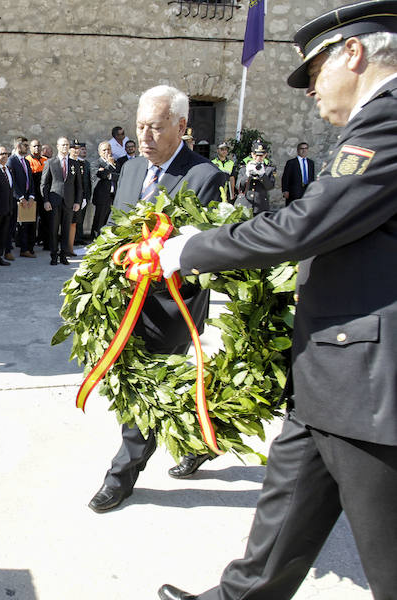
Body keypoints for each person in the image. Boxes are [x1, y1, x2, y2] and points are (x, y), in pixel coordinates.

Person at [157, 4, 397, 598]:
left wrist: (194, 249)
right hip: (328, 375)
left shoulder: (389, 122)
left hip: (369, 388)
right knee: (278, 534)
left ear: (355, 53)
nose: (311, 89)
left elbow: (307, 224)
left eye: (315, 70)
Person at [88, 84, 228, 514]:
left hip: (171, 307)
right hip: (124, 304)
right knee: (164, 388)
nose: (144, 137)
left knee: (145, 392)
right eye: (139, 127)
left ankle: (121, 476)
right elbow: (112, 232)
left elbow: (205, 256)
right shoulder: (131, 170)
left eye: (156, 127)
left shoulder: (204, 177)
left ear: (182, 127)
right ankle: (204, 439)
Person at [41, 137, 81, 265]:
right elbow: (44, 184)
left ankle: (64, 255)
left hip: (69, 202)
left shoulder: (74, 164)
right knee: (53, 229)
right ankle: (54, 255)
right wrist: (46, 200)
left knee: (66, 229)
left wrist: (77, 202)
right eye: (62, 145)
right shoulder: (50, 162)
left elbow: (79, 186)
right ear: (57, 146)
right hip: (54, 201)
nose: (65, 147)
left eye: (67, 145)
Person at [8, 136, 37, 258]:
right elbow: (12, 181)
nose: (27, 148)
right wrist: (20, 197)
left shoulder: (25, 161)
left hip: (27, 198)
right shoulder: (11, 161)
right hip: (15, 199)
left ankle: (25, 249)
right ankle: (7, 250)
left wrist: (30, 196)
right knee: (12, 225)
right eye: (25, 145)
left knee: (26, 224)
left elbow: (30, 180)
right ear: (18, 146)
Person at [236, 140, 276, 214]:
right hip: (245, 204)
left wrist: (262, 175)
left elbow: (270, 186)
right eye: (256, 155)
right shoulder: (244, 169)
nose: (258, 158)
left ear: (265, 155)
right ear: (252, 154)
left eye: (261, 155)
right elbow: (239, 186)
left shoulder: (269, 169)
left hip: (260, 206)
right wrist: (247, 175)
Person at [91, 141, 120, 233]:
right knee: (100, 219)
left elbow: (120, 176)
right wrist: (109, 166)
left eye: (108, 149)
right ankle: (95, 238)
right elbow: (102, 175)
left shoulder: (116, 163)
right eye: (104, 150)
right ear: (99, 152)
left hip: (114, 196)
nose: (107, 152)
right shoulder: (95, 164)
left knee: (111, 219)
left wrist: (110, 175)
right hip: (102, 197)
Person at [281, 141, 315, 205]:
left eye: (306, 148)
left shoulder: (311, 163)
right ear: (298, 150)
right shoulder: (291, 163)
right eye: (302, 149)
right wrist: (285, 190)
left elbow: (312, 177)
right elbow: (286, 177)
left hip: (307, 191)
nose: (304, 150)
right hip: (294, 192)